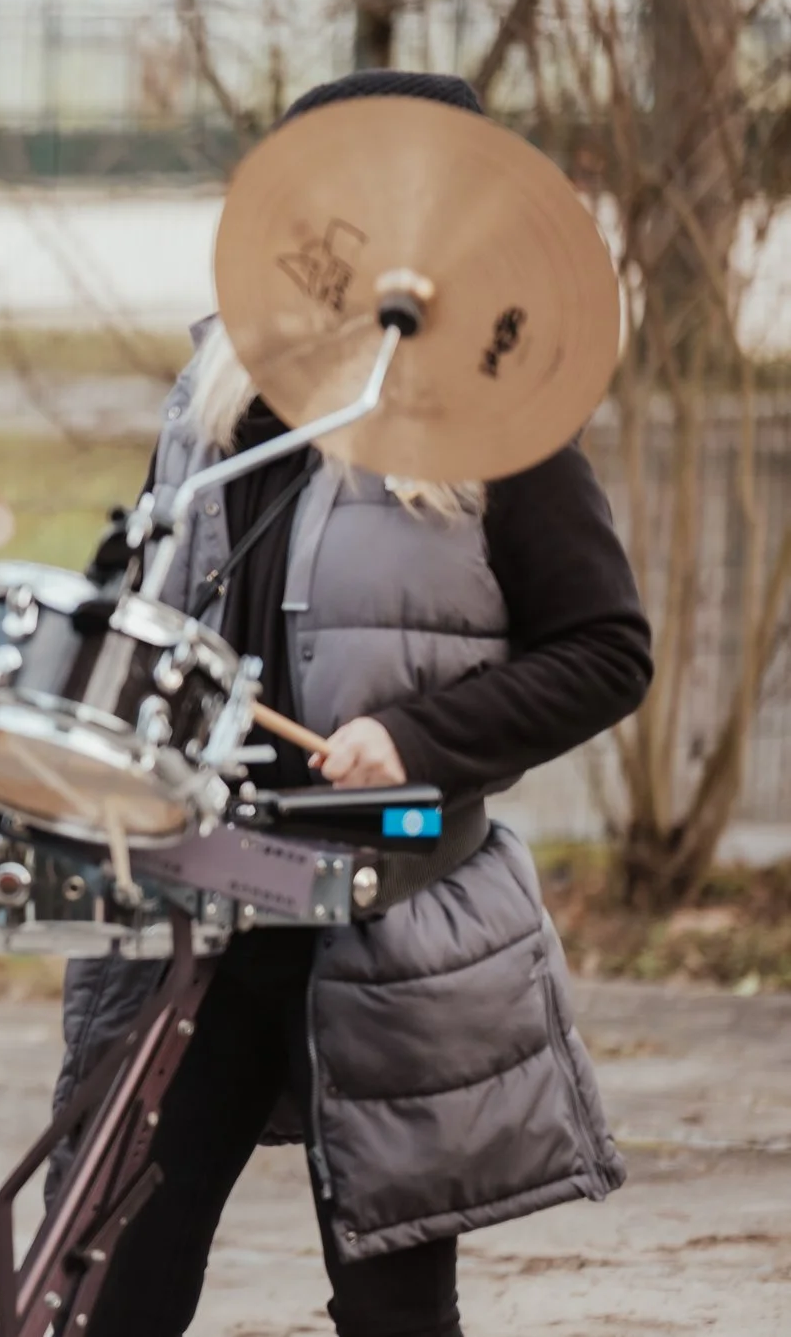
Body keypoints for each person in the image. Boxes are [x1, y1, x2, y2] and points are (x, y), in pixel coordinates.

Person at [43, 70, 652, 1337]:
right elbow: (141, 581)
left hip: (387, 902)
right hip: (197, 884)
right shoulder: (218, 380)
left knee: (391, 1307)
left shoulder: (506, 412)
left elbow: (605, 648)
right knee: (110, 1280)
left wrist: (416, 739)